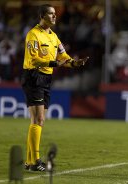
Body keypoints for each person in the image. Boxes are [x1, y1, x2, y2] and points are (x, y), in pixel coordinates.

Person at [21, 4, 89, 171]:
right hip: (34, 76)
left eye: (54, 14)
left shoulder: (54, 37)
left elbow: (62, 54)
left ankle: (30, 162)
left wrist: (73, 62)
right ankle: (35, 161)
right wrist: (54, 63)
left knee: (37, 121)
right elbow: (34, 59)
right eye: (50, 14)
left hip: (46, 78)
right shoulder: (33, 34)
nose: (54, 16)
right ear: (42, 16)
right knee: (39, 120)